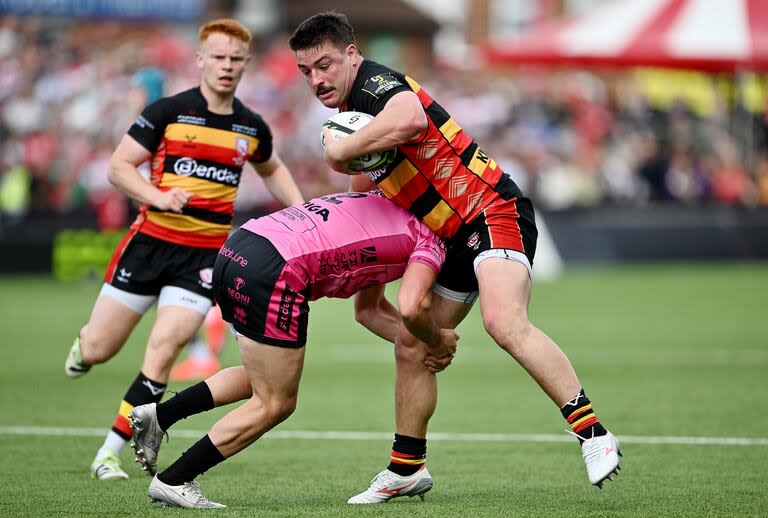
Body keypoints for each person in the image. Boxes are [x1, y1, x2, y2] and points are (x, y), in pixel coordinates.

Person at [288, 12, 622, 503]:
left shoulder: (378, 84)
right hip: (448, 235)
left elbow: (409, 119)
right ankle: (406, 468)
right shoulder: (351, 119)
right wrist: (434, 340)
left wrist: (340, 153)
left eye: (325, 64)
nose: (317, 79)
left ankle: (593, 433)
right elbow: (366, 188)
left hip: (491, 209)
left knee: (503, 322)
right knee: (410, 346)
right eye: (306, 71)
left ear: (352, 56)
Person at [64, 18, 305, 481]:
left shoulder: (250, 125)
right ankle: (85, 348)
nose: (227, 66)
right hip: (149, 245)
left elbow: (272, 169)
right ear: (200, 60)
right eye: (218, 57)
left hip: (202, 258)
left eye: (236, 59)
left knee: (164, 349)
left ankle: (108, 454)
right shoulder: (168, 112)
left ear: (246, 65)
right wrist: (157, 197)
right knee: (100, 347)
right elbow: (119, 167)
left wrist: (302, 213)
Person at [127, 190, 456, 508]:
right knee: (275, 402)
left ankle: (160, 416)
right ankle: (175, 479)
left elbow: (368, 311)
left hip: (240, 246)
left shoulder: (382, 198)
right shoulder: (433, 237)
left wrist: (421, 344)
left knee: (263, 378)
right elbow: (413, 307)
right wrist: (437, 339)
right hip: (275, 270)